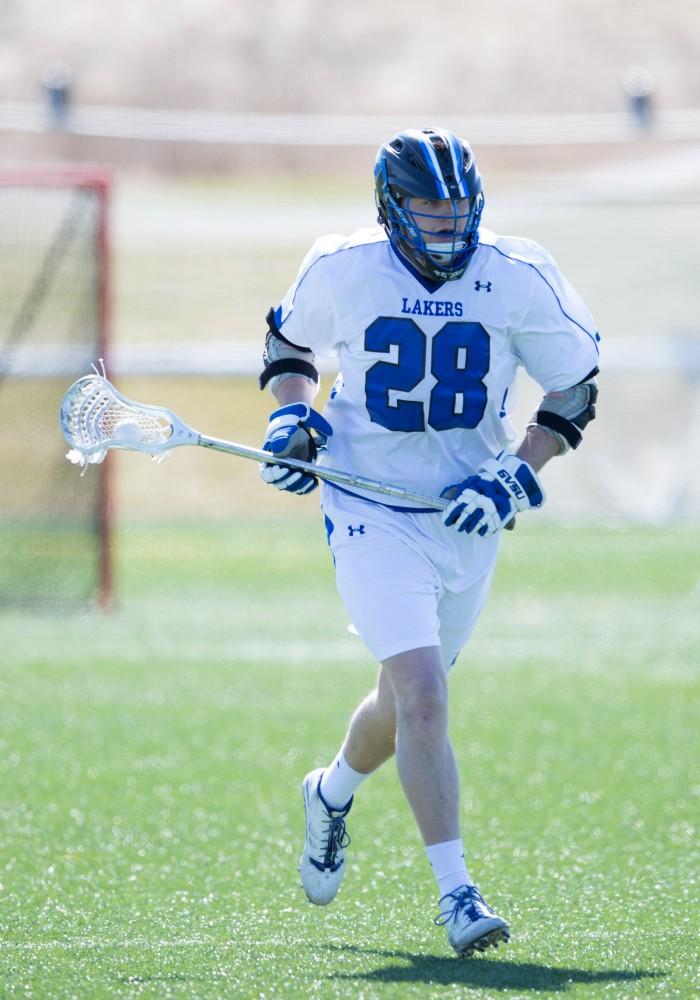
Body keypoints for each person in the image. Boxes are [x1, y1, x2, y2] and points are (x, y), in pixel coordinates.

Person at [257, 127, 600, 957]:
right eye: (428, 210)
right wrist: (293, 418)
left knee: (404, 700)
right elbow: (288, 342)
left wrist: (518, 470)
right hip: (369, 500)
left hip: (463, 510)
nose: (447, 227)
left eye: (457, 210)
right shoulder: (344, 265)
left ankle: (331, 792)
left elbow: (575, 381)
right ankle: (457, 896)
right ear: (391, 207)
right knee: (423, 695)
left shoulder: (515, 276)